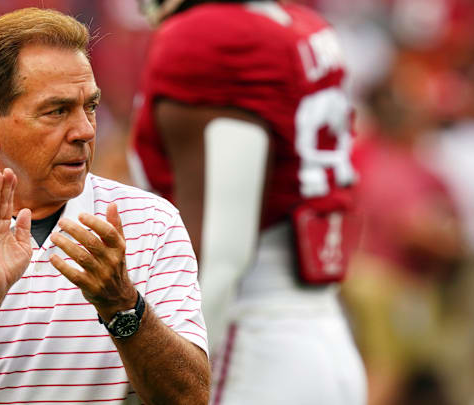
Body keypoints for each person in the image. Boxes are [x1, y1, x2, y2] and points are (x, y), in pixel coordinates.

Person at [0, 7, 210, 405]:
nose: (84, 130)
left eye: (91, 106)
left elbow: (192, 398)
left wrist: (122, 306)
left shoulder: (152, 223)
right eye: (57, 110)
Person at [131, 1, 366, 404]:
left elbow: (223, 254)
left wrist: (172, 378)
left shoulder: (211, 36)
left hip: (246, 343)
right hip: (323, 336)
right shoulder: (298, 23)